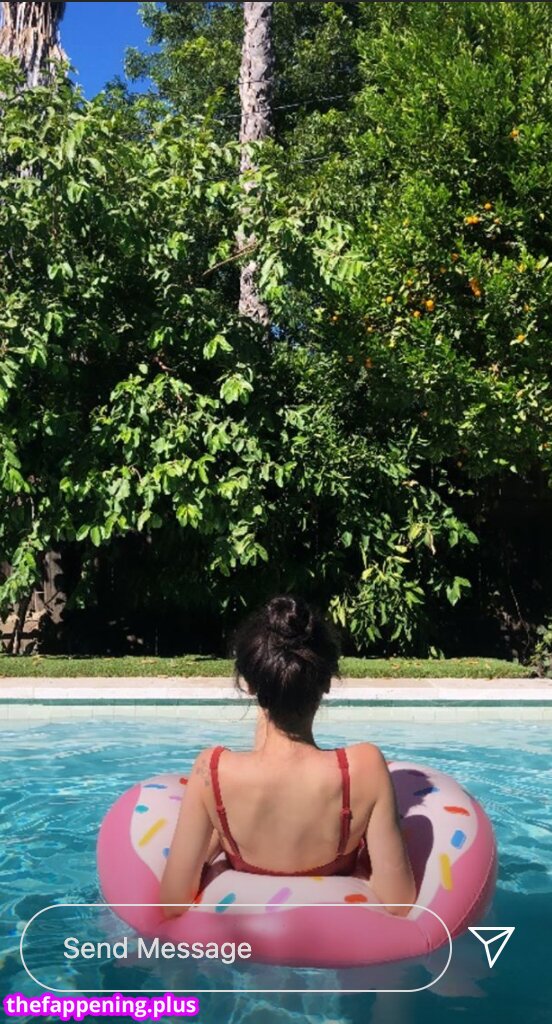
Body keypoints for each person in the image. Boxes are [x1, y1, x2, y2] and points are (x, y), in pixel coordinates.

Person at [160, 593, 416, 918]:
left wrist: (220, 838)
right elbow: (398, 901)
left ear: (249, 685)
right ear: (327, 682)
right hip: (335, 939)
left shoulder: (211, 772)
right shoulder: (365, 768)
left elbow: (172, 901)